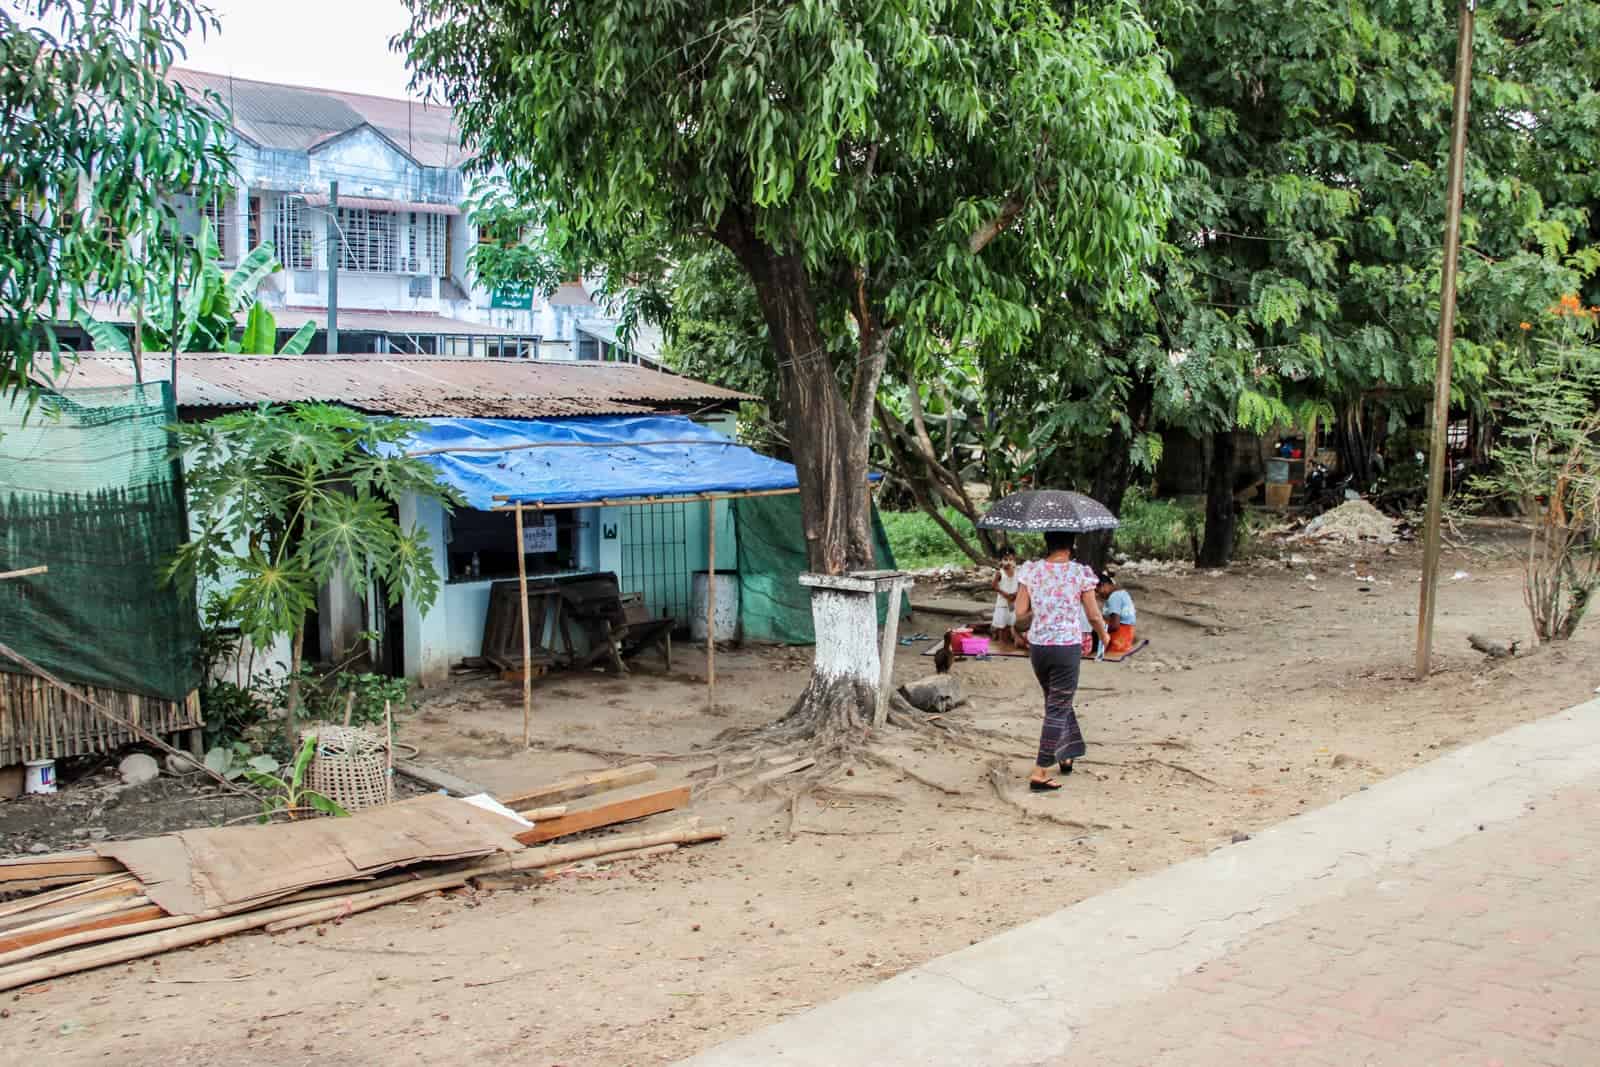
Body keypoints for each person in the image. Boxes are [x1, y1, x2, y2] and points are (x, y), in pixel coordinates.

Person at [1013, 531, 1110, 791]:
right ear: (1071, 545)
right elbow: (1093, 614)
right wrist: (1104, 635)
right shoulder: (1079, 573)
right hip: (1066, 647)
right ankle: (1040, 770)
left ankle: (1066, 754)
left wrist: (1042, 606)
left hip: (1039, 649)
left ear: (1047, 543)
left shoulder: (1031, 571)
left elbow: (1019, 617)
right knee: (1057, 706)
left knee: (1056, 701)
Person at [1096, 572, 1138, 657]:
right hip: (1127, 637)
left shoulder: (1114, 597)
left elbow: (1115, 625)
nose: (1098, 594)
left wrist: (1099, 631)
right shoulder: (1122, 593)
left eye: (1097, 590)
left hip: (1119, 639)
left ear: (1104, 585)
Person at [990, 552, 1023, 649]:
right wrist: (1004, 594)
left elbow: (1020, 585)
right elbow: (994, 585)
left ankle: (1008, 640)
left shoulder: (1018, 572)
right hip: (1002, 602)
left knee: (1010, 622)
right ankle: (1001, 641)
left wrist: (1015, 594)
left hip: (1013, 600)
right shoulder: (1000, 573)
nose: (1008, 562)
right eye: (1005, 560)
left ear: (1015, 561)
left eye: (1011, 560)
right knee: (1001, 624)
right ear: (1001, 561)